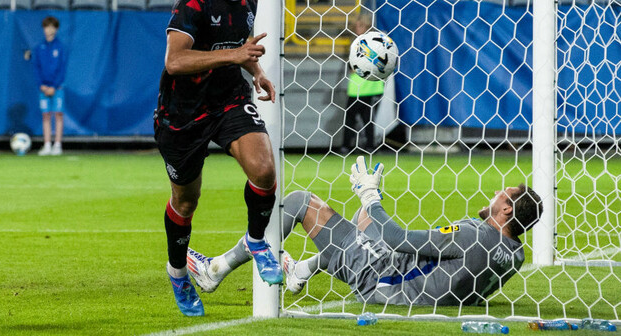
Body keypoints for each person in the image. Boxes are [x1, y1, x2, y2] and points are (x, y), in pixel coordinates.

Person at [188, 156, 544, 307]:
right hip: (413, 286)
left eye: (503, 193)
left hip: (384, 283)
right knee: (362, 221)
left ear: (507, 209)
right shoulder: (515, 254)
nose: (495, 193)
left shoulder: (475, 235)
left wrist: (372, 195)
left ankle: (214, 270)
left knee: (300, 202)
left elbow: (399, 240)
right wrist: (371, 210)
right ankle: (300, 271)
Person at [154, 0, 282, 317]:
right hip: (182, 114)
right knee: (186, 201)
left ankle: (257, 242)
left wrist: (256, 73)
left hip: (228, 100)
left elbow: (238, 49)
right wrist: (236, 57)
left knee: (263, 170)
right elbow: (175, 61)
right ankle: (178, 271)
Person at [339, 14, 386, 155]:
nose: (357, 28)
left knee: (368, 120)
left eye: (360, 25)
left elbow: (380, 64)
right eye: (356, 26)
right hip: (355, 88)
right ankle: (346, 146)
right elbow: (352, 67)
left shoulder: (375, 43)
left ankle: (370, 146)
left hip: (371, 88)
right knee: (350, 119)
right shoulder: (355, 43)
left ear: (367, 26)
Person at [33, 16, 68, 156]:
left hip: (57, 88)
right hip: (43, 88)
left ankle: (57, 144)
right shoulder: (38, 48)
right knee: (46, 115)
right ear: (43, 29)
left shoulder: (60, 47)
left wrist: (54, 86)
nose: (49, 30)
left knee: (58, 115)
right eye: (47, 27)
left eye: (52, 27)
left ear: (57, 29)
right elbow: (36, 68)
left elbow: (62, 69)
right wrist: (41, 85)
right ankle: (47, 144)